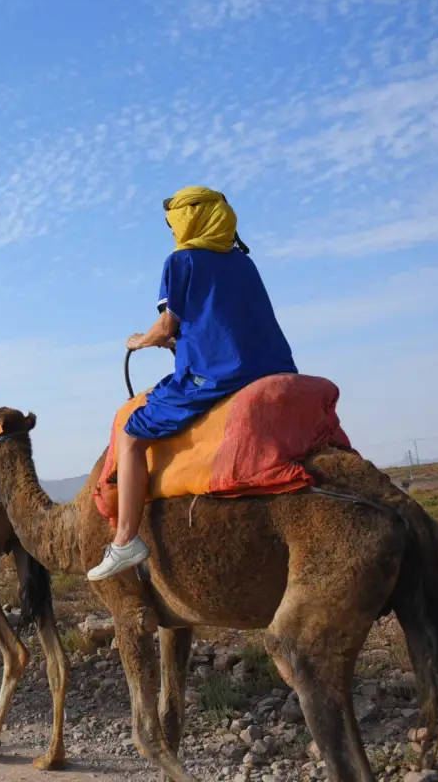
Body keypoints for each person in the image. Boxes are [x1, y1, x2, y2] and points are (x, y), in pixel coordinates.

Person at [86, 186, 297, 581]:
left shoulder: (181, 261)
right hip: (273, 367)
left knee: (132, 434)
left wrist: (141, 340)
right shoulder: (243, 262)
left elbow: (167, 324)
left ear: (191, 219)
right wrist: (174, 339)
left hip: (217, 376)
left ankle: (125, 540)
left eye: (173, 223)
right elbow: (218, 322)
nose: (171, 231)